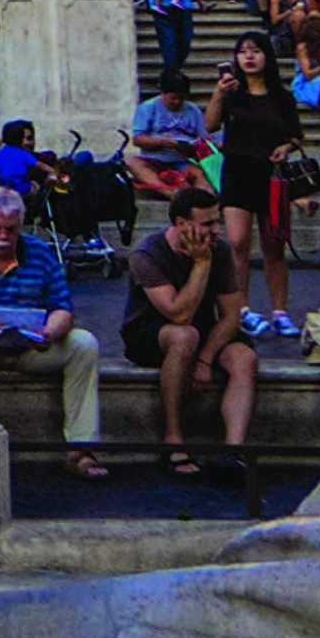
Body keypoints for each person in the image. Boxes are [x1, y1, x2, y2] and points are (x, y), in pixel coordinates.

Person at [0, 187, 108, 480]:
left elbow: (63, 308)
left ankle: (80, 449)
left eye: (10, 230)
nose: (2, 237)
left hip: (30, 349)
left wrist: (50, 331)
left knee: (83, 343)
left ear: (20, 227)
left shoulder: (40, 253)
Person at [120, 184, 257, 479]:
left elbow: (232, 314)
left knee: (243, 357)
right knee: (185, 336)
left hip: (201, 330)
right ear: (182, 224)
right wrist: (201, 263)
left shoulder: (219, 249)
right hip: (151, 332)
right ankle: (173, 438)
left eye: (217, 220)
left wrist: (206, 359)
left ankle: (234, 451)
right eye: (208, 223)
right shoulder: (147, 254)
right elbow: (178, 313)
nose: (216, 229)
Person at [204, 31, 304, 340]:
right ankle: (242, 309)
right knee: (237, 242)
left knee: (275, 245)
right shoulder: (231, 93)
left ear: (267, 56)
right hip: (236, 170)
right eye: (243, 51)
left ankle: (280, 311)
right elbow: (210, 126)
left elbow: (296, 136)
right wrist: (219, 94)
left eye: (256, 51)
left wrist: (286, 148)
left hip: (271, 173)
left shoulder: (281, 96)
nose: (249, 57)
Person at [128, 70, 213, 197]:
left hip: (181, 161)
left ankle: (207, 200)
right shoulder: (148, 108)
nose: (177, 102)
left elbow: (205, 139)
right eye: (173, 98)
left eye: (181, 98)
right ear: (163, 94)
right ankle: (171, 193)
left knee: (200, 175)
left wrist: (191, 147)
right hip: (153, 160)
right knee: (133, 164)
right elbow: (138, 139)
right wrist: (163, 142)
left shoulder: (193, 110)